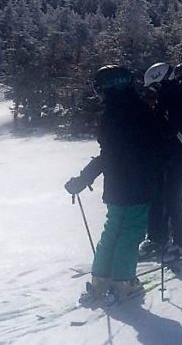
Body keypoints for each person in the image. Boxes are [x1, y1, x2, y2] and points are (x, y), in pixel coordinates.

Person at [65, 65, 163, 306]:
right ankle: (123, 281)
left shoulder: (109, 116)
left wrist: (84, 178)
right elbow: (158, 142)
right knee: (130, 233)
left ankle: (100, 279)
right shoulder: (141, 110)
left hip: (117, 185)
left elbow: (106, 154)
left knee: (113, 231)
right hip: (139, 184)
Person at [140, 63, 182, 261]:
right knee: (156, 196)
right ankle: (157, 237)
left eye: (154, 87)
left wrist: (156, 117)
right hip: (163, 154)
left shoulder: (180, 96)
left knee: (172, 199)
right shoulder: (167, 97)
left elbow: (170, 128)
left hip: (179, 155)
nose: (152, 93)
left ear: (163, 81)